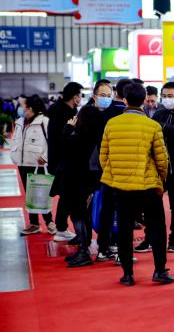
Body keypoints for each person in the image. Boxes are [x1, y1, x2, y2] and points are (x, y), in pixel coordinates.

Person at [100, 82, 174, 286]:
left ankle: (127, 274)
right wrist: (160, 181)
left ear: (124, 100)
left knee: (124, 230)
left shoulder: (112, 124)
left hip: (121, 187)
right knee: (157, 228)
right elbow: (162, 159)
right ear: (144, 101)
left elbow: (104, 157)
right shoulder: (152, 126)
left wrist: (116, 175)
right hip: (148, 186)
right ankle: (159, 270)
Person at [135, 82, 174, 254]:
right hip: (157, 166)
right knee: (151, 205)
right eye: (164, 96)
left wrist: (160, 127)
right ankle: (150, 238)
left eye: (170, 96)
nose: (167, 99)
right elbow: (151, 134)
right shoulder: (160, 113)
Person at [61, 105, 103, 267]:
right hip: (88, 181)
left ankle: (84, 250)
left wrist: (68, 128)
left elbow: (64, 148)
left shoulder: (79, 137)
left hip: (79, 181)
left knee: (79, 215)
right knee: (83, 215)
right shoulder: (96, 136)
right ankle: (83, 248)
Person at [96, 78, 132, 263]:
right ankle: (121, 250)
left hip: (108, 170)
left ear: (115, 92)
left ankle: (103, 247)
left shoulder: (104, 113)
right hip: (128, 170)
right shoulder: (132, 115)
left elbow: (101, 146)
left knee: (107, 209)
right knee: (125, 211)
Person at [11, 95, 56, 236]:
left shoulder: (44, 121)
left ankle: (50, 222)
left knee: (41, 194)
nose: (20, 108)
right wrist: (14, 154)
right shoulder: (20, 121)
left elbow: (54, 142)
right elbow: (16, 140)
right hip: (23, 163)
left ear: (30, 108)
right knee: (30, 195)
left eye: (22, 106)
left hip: (39, 165)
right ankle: (34, 224)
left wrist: (45, 157)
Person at [47, 82, 83, 243]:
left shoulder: (57, 110)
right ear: (75, 97)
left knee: (65, 196)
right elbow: (64, 139)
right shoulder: (66, 114)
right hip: (65, 161)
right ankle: (61, 228)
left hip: (58, 160)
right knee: (68, 196)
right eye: (80, 95)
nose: (80, 98)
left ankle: (61, 227)